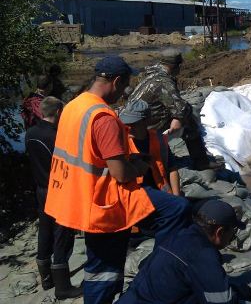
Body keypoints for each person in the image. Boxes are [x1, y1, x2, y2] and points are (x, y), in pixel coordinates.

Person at [44, 56, 191, 304]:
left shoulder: (72, 106)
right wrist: (139, 166)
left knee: (100, 265)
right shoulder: (103, 117)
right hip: (104, 202)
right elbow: (120, 173)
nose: (123, 93)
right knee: (177, 209)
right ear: (116, 81)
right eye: (123, 87)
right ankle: (162, 267)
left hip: (76, 196)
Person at [117, 199, 242, 304]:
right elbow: (223, 301)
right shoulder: (203, 254)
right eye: (232, 231)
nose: (232, 237)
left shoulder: (178, 235)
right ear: (219, 232)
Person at [25, 96, 82, 299]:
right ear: (58, 112)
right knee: (62, 235)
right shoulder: (59, 136)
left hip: (40, 188)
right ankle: (63, 286)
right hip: (58, 188)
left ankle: (46, 278)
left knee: (45, 230)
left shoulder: (30, 133)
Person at [127, 49, 221, 171]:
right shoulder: (163, 81)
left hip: (135, 119)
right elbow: (181, 108)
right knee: (189, 118)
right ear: (174, 66)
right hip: (146, 124)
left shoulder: (149, 72)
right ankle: (201, 162)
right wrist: (178, 118)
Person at [120, 99, 181, 196]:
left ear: (146, 121)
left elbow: (172, 169)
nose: (129, 127)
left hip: (161, 191)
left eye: (133, 123)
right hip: (137, 195)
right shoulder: (121, 143)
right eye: (126, 123)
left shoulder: (159, 139)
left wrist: (176, 196)